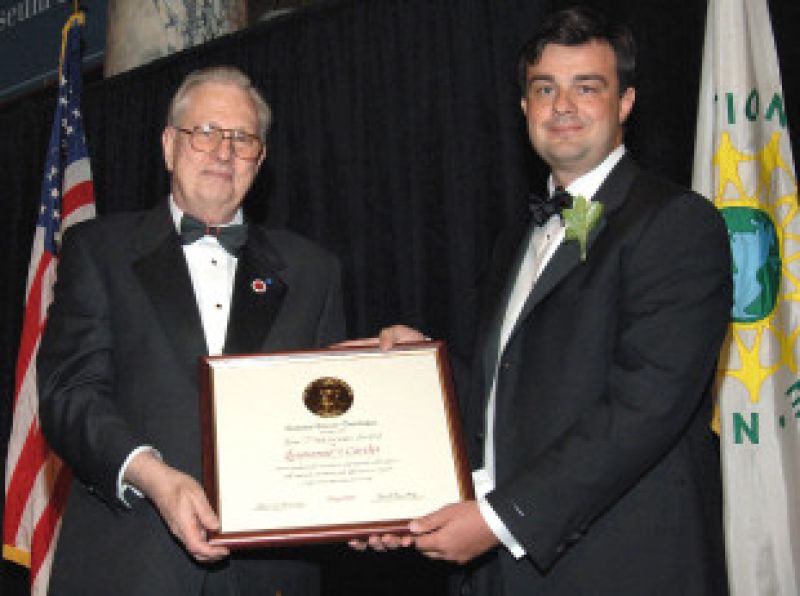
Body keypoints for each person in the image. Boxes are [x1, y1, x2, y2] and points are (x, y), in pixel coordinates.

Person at [357, 6, 731, 595]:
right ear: (524, 109)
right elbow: (514, 393)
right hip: (509, 575)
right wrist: (426, 368)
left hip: (622, 569)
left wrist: (504, 519)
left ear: (625, 103)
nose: (563, 106)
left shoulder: (676, 224)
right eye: (545, 89)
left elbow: (646, 405)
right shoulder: (516, 239)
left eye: (588, 88)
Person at [37, 66, 346, 595]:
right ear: (168, 145)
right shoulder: (97, 250)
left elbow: (328, 418)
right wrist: (154, 476)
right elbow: (68, 397)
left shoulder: (313, 270)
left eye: (242, 138)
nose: (223, 152)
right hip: (128, 568)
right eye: (205, 132)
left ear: (261, 159)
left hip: (268, 576)